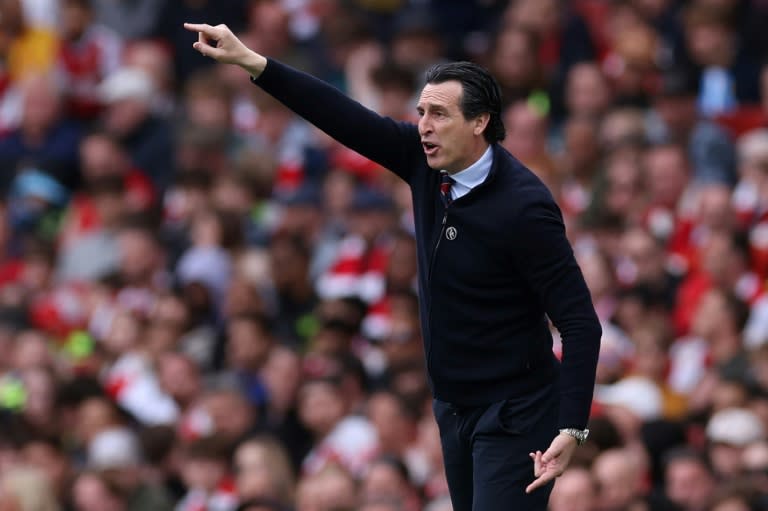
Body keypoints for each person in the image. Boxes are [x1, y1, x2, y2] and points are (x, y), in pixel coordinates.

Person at [183, 21, 602, 510]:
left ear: (480, 121)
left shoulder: (524, 206)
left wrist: (572, 427)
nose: (423, 124)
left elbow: (578, 322)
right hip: (453, 407)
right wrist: (255, 63)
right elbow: (342, 116)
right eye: (421, 111)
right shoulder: (423, 161)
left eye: (439, 114)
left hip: (516, 412)